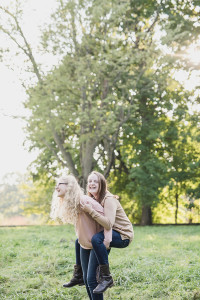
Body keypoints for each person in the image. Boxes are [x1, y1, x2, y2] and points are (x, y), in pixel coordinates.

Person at [50, 174, 112, 300]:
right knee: (85, 279)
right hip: (85, 244)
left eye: (59, 184)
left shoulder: (84, 201)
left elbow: (108, 221)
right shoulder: (72, 204)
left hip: (97, 244)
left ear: (69, 187)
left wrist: (106, 241)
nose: (56, 187)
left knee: (91, 279)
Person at [80, 171, 134, 294]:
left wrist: (91, 211)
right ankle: (78, 273)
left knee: (96, 239)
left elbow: (108, 224)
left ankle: (106, 277)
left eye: (95, 181)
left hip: (123, 235)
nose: (92, 183)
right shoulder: (93, 199)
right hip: (109, 232)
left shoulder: (108, 199)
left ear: (101, 184)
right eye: (90, 181)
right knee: (79, 241)